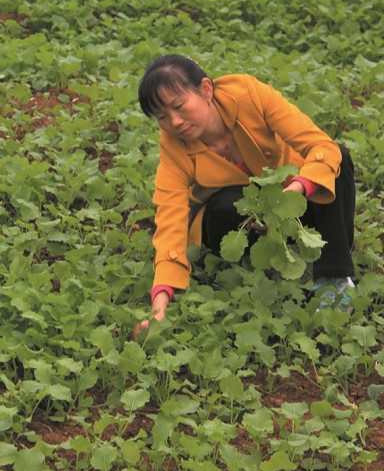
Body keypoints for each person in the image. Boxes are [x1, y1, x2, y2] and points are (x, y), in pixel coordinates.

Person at [134, 54, 355, 336]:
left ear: (205, 89)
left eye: (179, 106)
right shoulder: (174, 149)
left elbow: (320, 145)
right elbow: (169, 224)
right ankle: (258, 261)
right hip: (237, 220)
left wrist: (297, 190)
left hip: (290, 201)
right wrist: (159, 307)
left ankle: (334, 279)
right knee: (224, 207)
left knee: (338, 159)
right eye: (162, 116)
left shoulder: (249, 95)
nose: (175, 122)